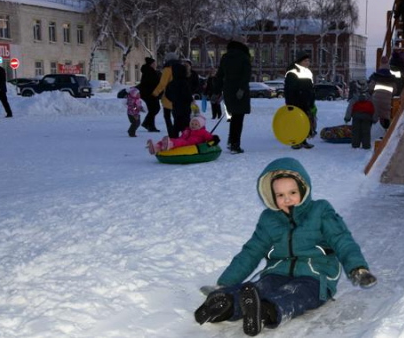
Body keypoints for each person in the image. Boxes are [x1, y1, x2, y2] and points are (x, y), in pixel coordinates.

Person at [193, 157, 376, 336]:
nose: (287, 199)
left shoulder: (320, 210)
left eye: (292, 193)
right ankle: (225, 305)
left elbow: (341, 239)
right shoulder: (269, 219)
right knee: (260, 287)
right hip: (278, 272)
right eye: (280, 195)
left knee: (296, 293)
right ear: (271, 197)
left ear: (303, 190)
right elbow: (251, 252)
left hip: (315, 277)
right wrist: (225, 283)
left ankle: (265, 312)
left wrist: (357, 268)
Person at [212, 34, 251, 154]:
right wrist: (242, 89)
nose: (246, 43)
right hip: (240, 91)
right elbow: (246, 76)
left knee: (234, 117)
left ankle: (231, 141)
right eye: (244, 41)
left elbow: (219, 76)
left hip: (228, 90)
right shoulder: (245, 57)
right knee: (238, 118)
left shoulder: (225, 57)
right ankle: (235, 144)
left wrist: (216, 92)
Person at [284, 52, 316, 150]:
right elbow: (289, 89)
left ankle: (303, 140)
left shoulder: (308, 72)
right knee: (296, 122)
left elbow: (310, 87)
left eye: (308, 60)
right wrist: (289, 103)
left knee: (305, 121)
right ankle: (296, 141)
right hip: (296, 102)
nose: (308, 62)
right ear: (300, 61)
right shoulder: (292, 72)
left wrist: (311, 100)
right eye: (305, 60)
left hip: (306, 101)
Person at [147, 115, 219, 154]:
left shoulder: (203, 132)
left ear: (200, 126)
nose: (193, 125)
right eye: (192, 123)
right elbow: (182, 137)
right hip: (183, 141)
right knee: (174, 139)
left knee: (180, 142)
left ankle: (170, 144)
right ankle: (156, 147)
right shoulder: (187, 130)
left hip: (190, 144)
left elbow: (209, 137)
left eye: (196, 124)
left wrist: (214, 138)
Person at [153, 52, 180, 138]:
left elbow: (163, 83)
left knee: (167, 116)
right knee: (177, 116)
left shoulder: (167, 69)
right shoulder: (181, 68)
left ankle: (172, 135)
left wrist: (155, 93)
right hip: (179, 96)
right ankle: (178, 134)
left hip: (169, 96)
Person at [165, 63, 194, 136]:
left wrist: (173, 99)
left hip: (175, 107)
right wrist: (191, 100)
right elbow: (187, 96)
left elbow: (167, 94)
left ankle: (174, 139)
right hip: (185, 108)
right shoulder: (184, 83)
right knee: (185, 126)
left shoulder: (171, 83)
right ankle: (185, 140)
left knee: (176, 123)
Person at [138, 57, 161, 132]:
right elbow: (152, 83)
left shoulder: (150, 71)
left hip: (150, 94)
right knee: (154, 109)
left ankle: (148, 124)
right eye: (154, 64)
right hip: (150, 94)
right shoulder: (149, 72)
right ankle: (148, 125)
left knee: (154, 109)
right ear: (150, 64)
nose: (155, 65)